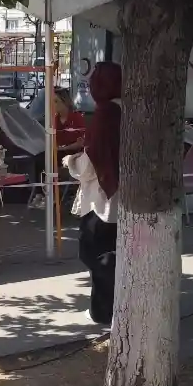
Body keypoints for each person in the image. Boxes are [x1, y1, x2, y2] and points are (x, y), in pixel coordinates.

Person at [67, 62, 122, 326]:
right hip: (125, 198)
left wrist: (71, 162)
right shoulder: (127, 111)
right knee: (110, 255)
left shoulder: (104, 115)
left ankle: (103, 313)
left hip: (101, 200)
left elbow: (91, 165)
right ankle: (107, 311)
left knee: (96, 256)